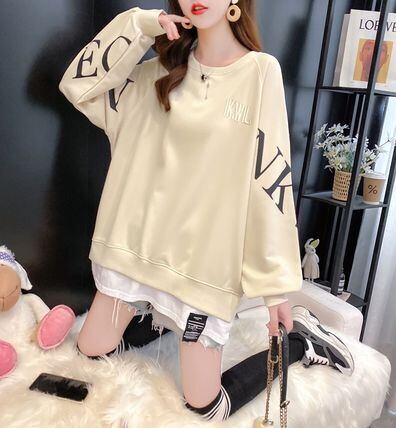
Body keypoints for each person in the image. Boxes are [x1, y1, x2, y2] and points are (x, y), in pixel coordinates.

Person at [58, 1, 355, 422]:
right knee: (89, 351)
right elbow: (79, 85)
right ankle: (153, 315)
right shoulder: (156, 74)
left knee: (204, 405)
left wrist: (276, 291)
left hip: (201, 267)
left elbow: (271, 182)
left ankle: (302, 342)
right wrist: (141, 25)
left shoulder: (258, 73)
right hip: (133, 252)